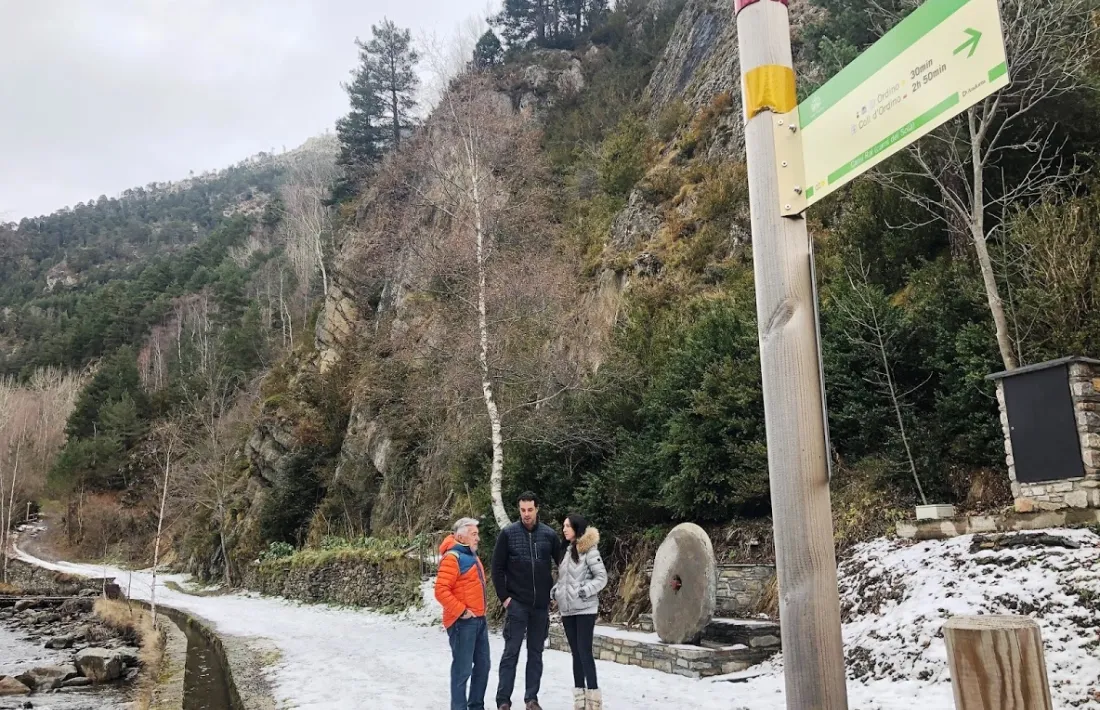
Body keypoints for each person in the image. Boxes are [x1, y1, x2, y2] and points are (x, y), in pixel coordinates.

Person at [491, 492, 562, 710]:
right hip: (517, 604)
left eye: (530, 510)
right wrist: (505, 598)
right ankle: (503, 700)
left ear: (537, 509)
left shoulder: (549, 535)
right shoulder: (508, 534)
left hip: (540, 606)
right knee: (511, 652)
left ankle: (532, 699)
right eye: (522, 510)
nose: (526, 514)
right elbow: (497, 568)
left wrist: (556, 593)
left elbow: (564, 565)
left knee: (536, 653)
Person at [435, 517, 491, 710]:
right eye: (474, 534)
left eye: (477, 534)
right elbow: (441, 591)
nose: (478, 538)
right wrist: (461, 611)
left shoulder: (471, 555)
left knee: (483, 666)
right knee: (462, 670)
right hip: (462, 623)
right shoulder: (452, 558)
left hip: (479, 620)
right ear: (461, 536)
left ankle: (476, 706)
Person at [552, 513, 607, 710]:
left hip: (585, 609)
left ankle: (593, 699)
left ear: (577, 528)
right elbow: (564, 579)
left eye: (568, 526)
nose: (564, 529)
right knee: (575, 653)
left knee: (585, 652)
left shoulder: (589, 551)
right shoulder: (566, 550)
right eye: (563, 526)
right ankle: (580, 699)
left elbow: (601, 577)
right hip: (567, 610)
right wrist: (556, 590)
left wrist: (584, 591)